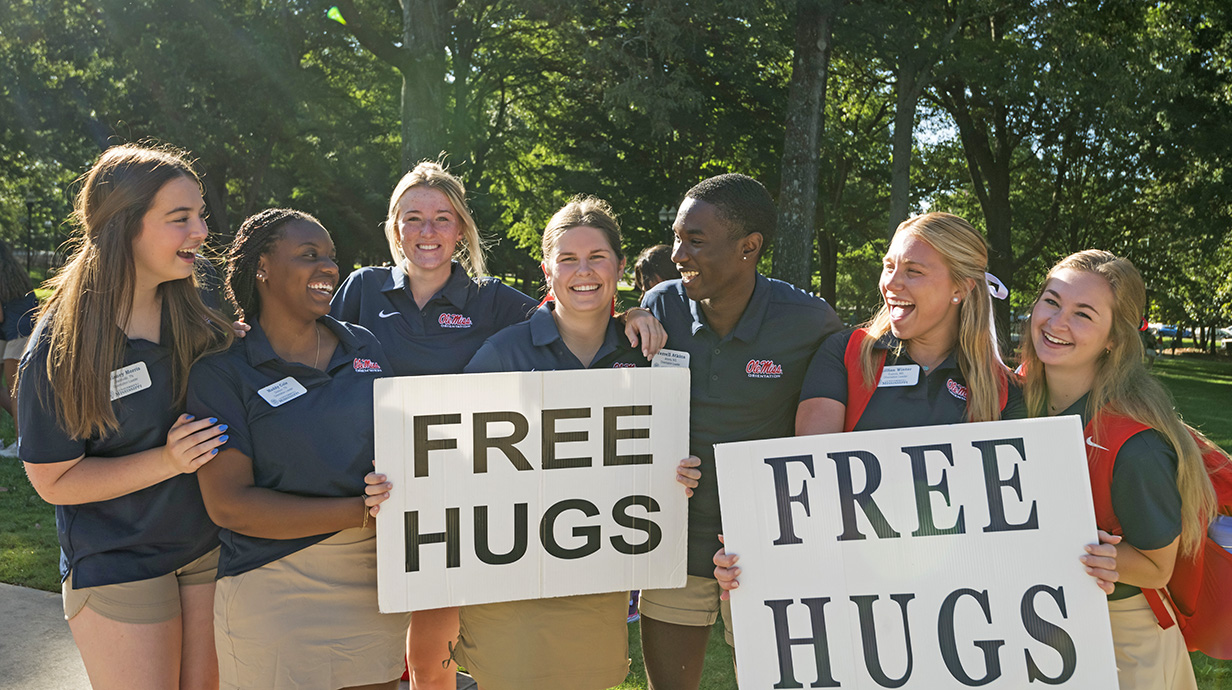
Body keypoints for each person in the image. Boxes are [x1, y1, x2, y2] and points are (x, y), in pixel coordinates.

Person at [328, 161, 665, 690]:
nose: (428, 231)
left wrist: (627, 317)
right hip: (368, 483)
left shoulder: (493, 300)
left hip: (456, 490)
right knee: (364, 641)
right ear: (394, 229)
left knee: (436, 634)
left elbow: (569, 309)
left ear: (461, 227)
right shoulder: (361, 289)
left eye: (443, 218)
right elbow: (313, 343)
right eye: (413, 218)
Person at [456, 196, 700, 690]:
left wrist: (674, 476)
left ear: (620, 266)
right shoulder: (505, 352)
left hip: (595, 569)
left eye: (597, 258)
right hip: (509, 572)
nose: (582, 271)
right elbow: (456, 454)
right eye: (567, 259)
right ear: (546, 270)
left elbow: (659, 445)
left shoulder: (649, 352)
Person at [18, 144, 232, 690]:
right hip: (120, 564)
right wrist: (167, 460)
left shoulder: (196, 300)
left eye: (200, 214)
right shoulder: (60, 346)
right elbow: (53, 481)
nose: (201, 231)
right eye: (180, 218)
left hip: (206, 548)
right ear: (124, 226)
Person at [186, 208, 409, 690]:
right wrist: (360, 511)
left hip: (375, 581)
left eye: (330, 256)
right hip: (273, 587)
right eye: (309, 255)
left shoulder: (364, 347)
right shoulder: (223, 369)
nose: (329, 267)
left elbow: (402, 447)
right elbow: (230, 505)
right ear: (262, 266)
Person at [637, 173, 844, 689]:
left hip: (764, 551)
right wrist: (627, 314)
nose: (678, 253)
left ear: (750, 247)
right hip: (671, 545)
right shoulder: (661, 303)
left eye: (696, 240)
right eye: (679, 237)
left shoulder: (809, 321)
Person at [1019, 250, 1218, 689]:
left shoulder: (1137, 445)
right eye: (1051, 301)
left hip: (1119, 629)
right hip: (1034, 619)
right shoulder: (1013, 401)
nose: (1056, 323)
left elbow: (1156, 567)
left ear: (1114, 338)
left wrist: (1103, 558)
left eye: (1083, 314)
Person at [794, 212, 1023, 435]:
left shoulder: (1002, 389)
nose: (891, 283)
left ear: (961, 288)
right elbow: (815, 465)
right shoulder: (844, 354)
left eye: (913, 271)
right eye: (889, 267)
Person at [0, 237, 37, 446]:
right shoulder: (13, 274)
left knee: (17, 395)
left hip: (16, 336)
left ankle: (21, 446)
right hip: (26, 331)